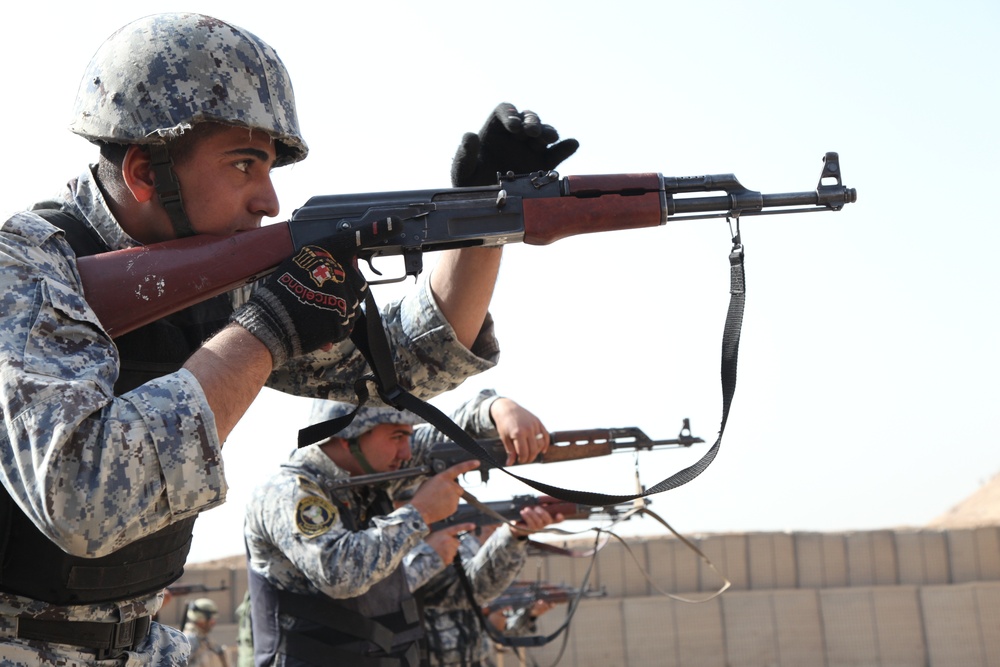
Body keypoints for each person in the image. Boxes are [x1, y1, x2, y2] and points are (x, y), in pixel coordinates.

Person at [0, 11, 578, 667]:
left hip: (140, 645)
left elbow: (403, 359)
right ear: (142, 171)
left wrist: (484, 223)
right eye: (244, 164)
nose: (269, 200)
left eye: (270, 168)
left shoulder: (204, 276)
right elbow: (81, 500)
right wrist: (265, 333)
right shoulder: (26, 273)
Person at [244, 390, 560, 666]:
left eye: (408, 436)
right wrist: (419, 512)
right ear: (346, 435)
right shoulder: (288, 492)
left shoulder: (367, 479)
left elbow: (445, 437)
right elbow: (340, 574)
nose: (407, 453)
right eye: (397, 437)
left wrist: (496, 408)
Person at [182, 599, 229, 667]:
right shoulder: (189, 639)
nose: (214, 622)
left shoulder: (203, 639)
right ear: (201, 619)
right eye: (211, 619)